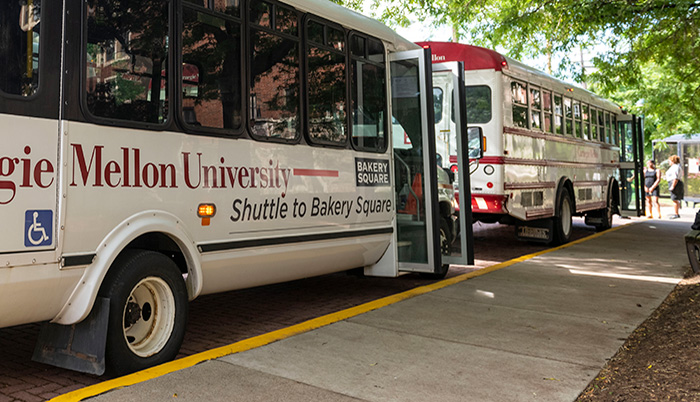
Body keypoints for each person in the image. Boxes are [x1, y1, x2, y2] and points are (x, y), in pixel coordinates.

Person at [666, 154, 684, 219]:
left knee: (674, 199)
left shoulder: (675, 167)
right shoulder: (676, 167)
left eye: (669, 161)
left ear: (672, 161)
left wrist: (672, 186)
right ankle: (677, 211)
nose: (669, 162)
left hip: (674, 183)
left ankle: (676, 213)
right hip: (675, 182)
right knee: (675, 199)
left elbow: (675, 178)